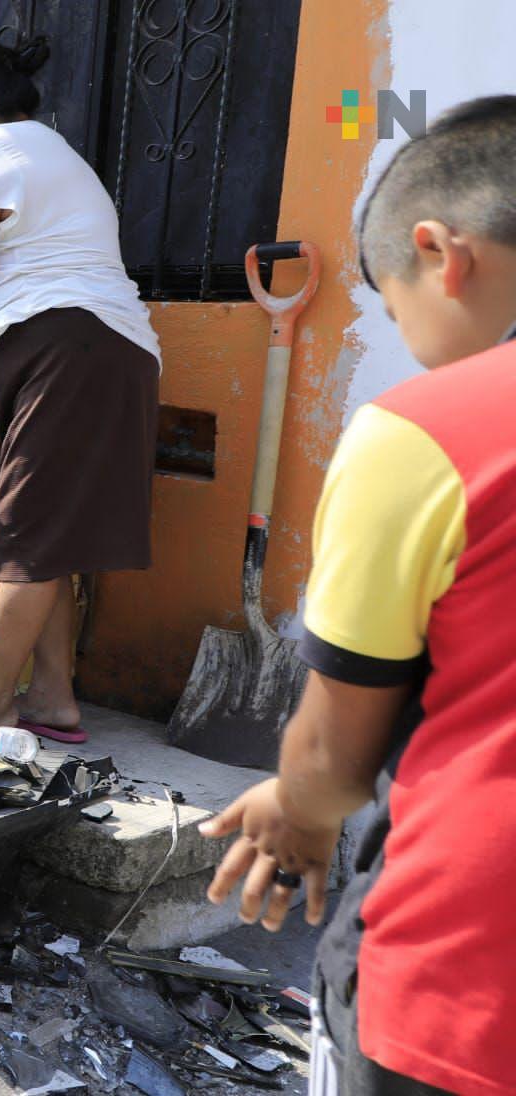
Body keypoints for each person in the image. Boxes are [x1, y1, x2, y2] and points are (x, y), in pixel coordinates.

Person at [201, 96, 516, 1096]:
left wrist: (296, 802)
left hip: (462, 982)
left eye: (391, 306)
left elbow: (335, 764)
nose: (407, 340)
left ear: (439, 253)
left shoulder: (428, 431)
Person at [0, 38, 161, 742]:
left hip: (64, 351)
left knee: (26, 530)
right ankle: (52, 696)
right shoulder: (49, 153)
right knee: (56, 536)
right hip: (107, 351)